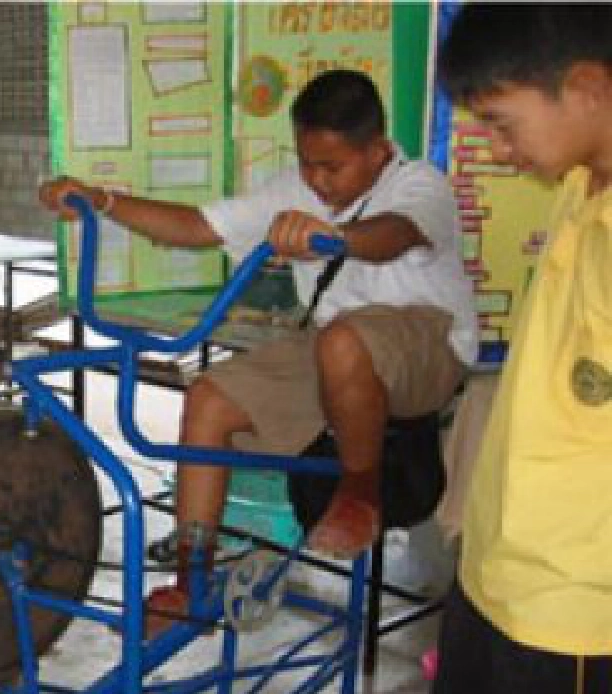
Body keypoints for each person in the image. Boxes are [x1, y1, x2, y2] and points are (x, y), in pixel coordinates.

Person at [40, 68, 476, 632]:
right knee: (209, 398)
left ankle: (358, 493)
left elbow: (394, 234)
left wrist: (336, 238)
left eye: (332, 167)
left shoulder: (420, 185)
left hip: (426, 339)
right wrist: (100, 201)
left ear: (377, 149)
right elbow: (197, 226)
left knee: (344, 342)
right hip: (335, 343)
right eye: (306, 163)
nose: (316, 181)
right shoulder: (295, 189)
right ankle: (192, 583)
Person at [428, 6, 611, 694]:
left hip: (576, 617)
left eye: (501, 123)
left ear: (586, 88)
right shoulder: (588, 183)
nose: (497, 152)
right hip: (498, 576)